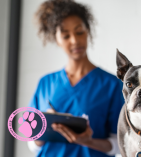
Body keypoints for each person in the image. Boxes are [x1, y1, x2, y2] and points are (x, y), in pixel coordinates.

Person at [27, 0, 124, 156]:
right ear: (56, 39)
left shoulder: (111, 85)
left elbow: (119, 144)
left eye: (79, 32)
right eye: (66, 36)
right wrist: (43, 129)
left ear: (88, 31)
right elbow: (33, 144)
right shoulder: (46, 83)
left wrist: (88, 141)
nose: (74, 41)